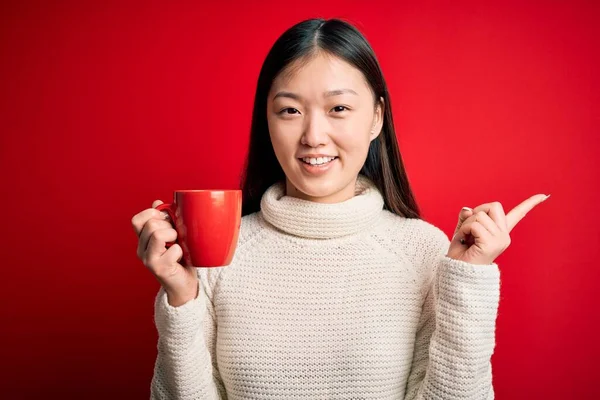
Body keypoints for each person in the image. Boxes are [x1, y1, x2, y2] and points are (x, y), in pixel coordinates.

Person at [131, 18, 549, 400]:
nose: (314, 136)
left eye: (339, 109)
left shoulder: (421, 249)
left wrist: (467, 279)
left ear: (376, 118)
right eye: (290, 110)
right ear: (267, 120)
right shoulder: (216, 256)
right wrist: (181, 297)